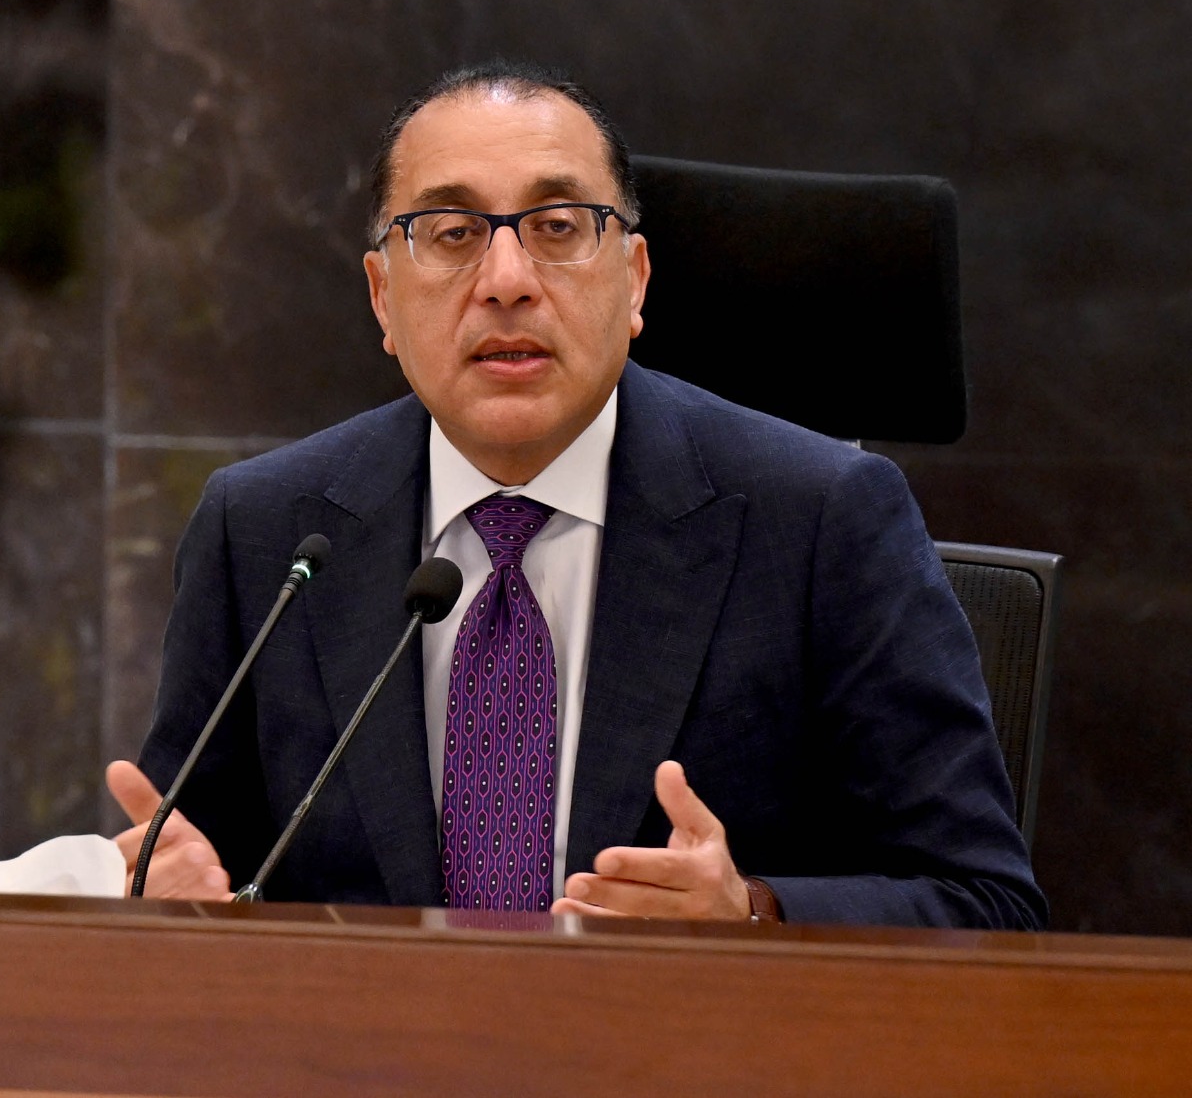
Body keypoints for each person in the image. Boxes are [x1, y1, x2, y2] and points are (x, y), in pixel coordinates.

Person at [107, 61, 1046, 928]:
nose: (506, 281)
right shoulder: (268, 532)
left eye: (557, 228)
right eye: (451, 233)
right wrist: (169, 906)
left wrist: (753, 915)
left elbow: (985, 902)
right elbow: (185, 864)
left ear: (633, 280)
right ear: (383, 297)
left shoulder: (824, 519)